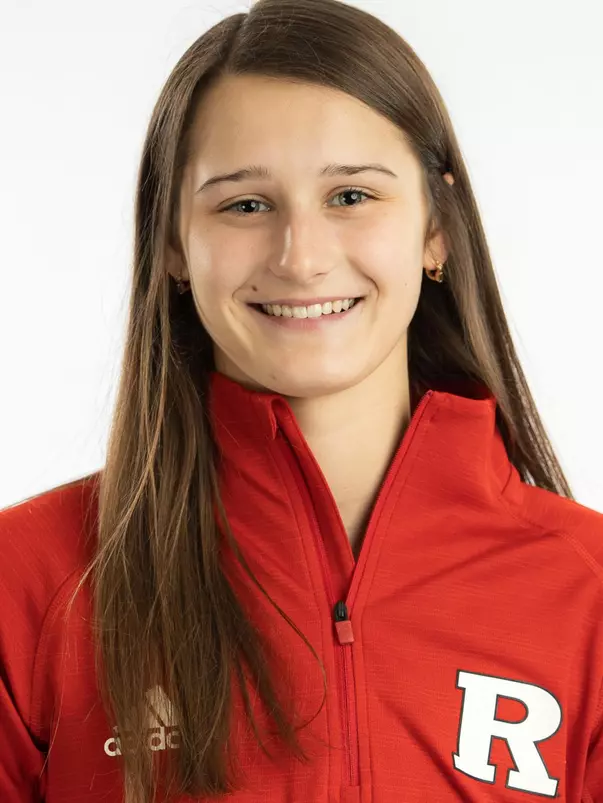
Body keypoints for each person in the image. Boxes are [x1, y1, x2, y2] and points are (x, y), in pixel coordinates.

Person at [1, 0, 602, 800]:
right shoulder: (31, 582)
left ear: (435, 228)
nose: (302, 257)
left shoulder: (585, 590)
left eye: (351, 196)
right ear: (175, 244)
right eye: (245, 205)